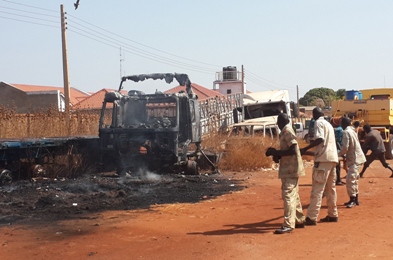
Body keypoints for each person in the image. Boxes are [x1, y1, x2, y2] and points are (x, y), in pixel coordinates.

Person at [265, 113, 306, 234]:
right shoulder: (285, 131)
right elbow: (288, 150)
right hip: (290, 167)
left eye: (278, 122)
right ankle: (299, 219)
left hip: (291, 168)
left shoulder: (287, 131)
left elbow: (293, 149)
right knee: (294, 194)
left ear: (280, 122)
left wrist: (277, 152)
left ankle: (288, 224)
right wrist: (277, 154)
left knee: (288, 194)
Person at [300, 107, 339, 225]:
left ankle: (311, 217)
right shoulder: (328, 125)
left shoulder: (318, 123)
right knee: (330, 189)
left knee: (317, 190)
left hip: (322, 160)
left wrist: (305, 148)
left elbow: (320, 139)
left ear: (314, 115)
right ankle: (333, 214)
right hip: (333, 159)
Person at [338, 117, 366, 208]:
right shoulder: (352, 131)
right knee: (354, 179)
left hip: (355, 159)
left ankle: (353, 200)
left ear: (344, 124)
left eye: (341, 123)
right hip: (358, 158)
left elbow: (345, 147)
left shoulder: (346, 132)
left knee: (350, 180)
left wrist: (338, 154)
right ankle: (355, 199)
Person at [331, 118, 345, 186]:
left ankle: (338, 179)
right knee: (337, 166)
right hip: (337, 149)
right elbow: (337, 140)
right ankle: (338, 180)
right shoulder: (340, 130)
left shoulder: (337, 129)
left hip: (337, 148)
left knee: (338, 166)